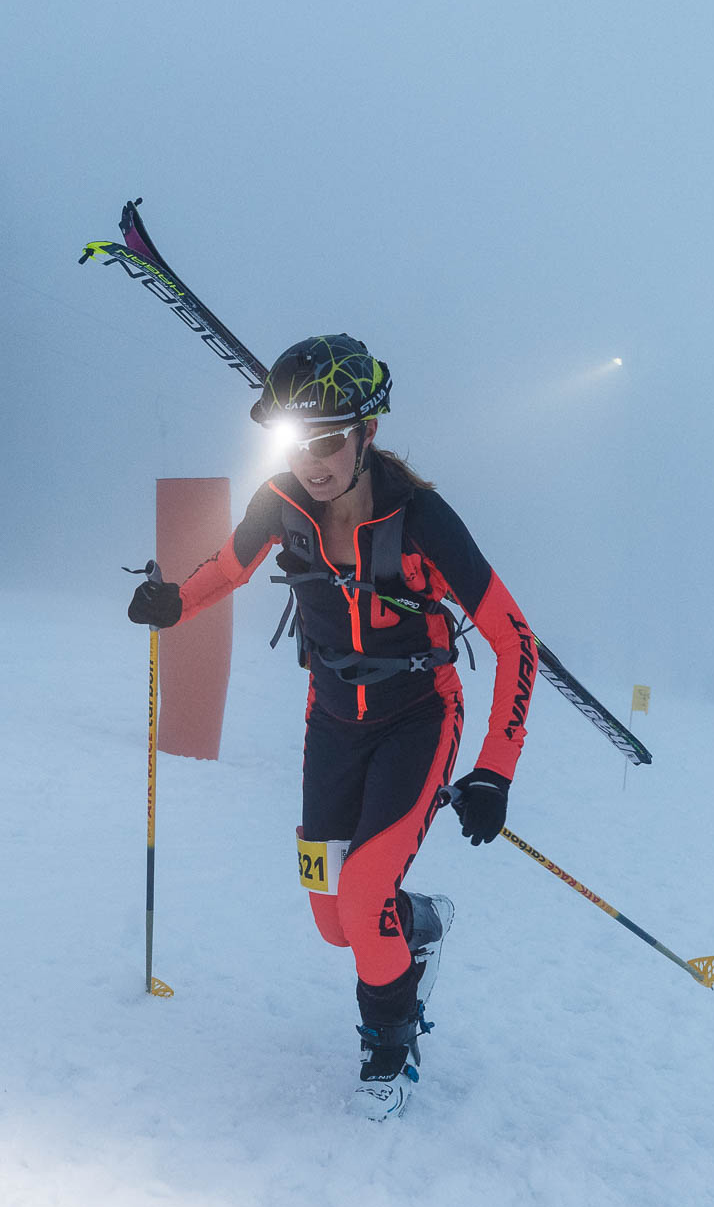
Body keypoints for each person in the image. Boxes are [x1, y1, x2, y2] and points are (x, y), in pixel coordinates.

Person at [125, 334, 536, 1120]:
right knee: (334, 919)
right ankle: (418, 925)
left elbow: (514, 638)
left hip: (418, 717)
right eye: (296, 441)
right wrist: (175, 601)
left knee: (364, 888)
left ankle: (388, 1046)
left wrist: (494, 769)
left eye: (329, 440)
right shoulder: (281, 503)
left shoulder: (421, 520)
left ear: (368, 432)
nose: (311, 461)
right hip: (332, 724)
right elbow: (229, 567)